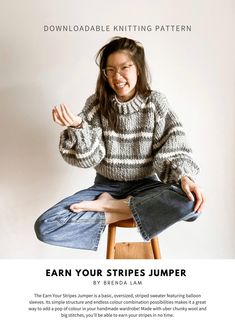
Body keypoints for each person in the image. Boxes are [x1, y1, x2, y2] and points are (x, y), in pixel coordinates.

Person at [35, 36, 205, 251]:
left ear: (138, 70)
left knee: (192, 203)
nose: (117, 77)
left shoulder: (155, 103)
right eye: (110, 70)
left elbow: (173, 147)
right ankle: (123, 208)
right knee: (46, 226)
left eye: (125, 68)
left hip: (146, 186)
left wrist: (184, 178)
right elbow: (90, 158)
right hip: (106, 186)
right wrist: (79, 127)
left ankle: (110, 208)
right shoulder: (96, 105)